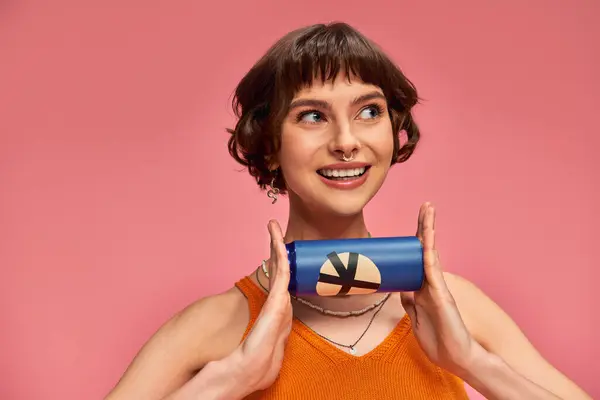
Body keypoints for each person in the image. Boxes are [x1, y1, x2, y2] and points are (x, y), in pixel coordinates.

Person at [105, 22, 591, 400]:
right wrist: (230, 379)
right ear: (269, 145)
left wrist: (473, 363)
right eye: (312, 116)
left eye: (369, 112)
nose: (346, 141)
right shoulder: (214, 325)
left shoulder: (455, 308)